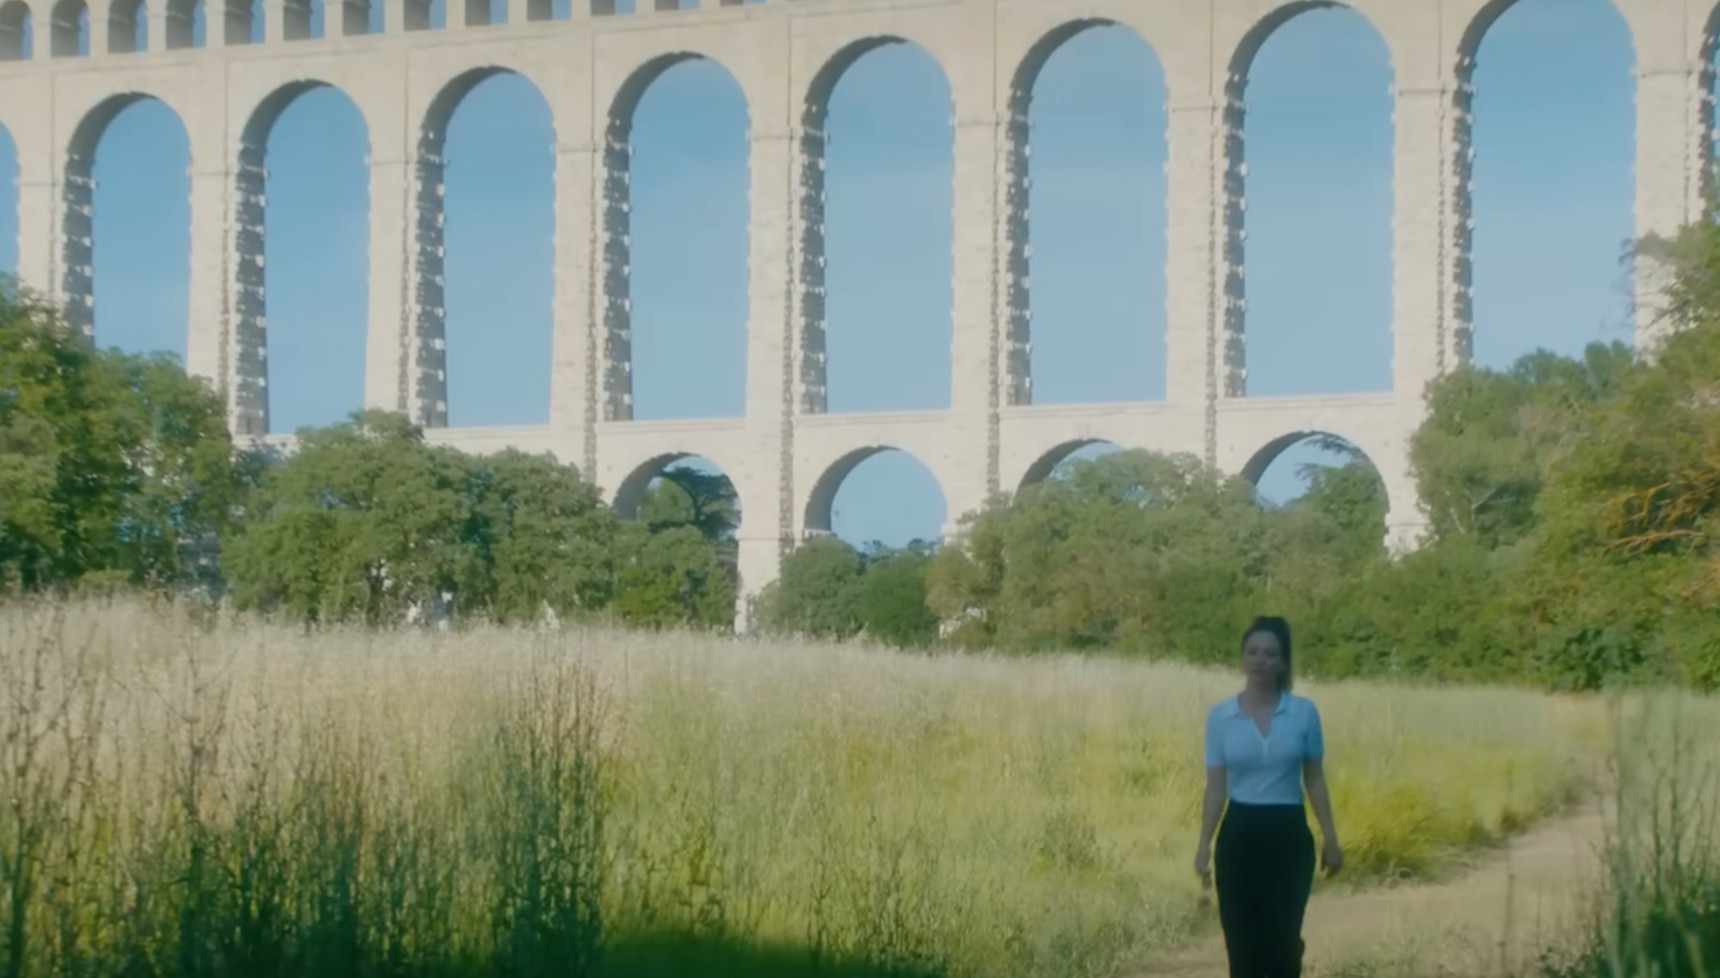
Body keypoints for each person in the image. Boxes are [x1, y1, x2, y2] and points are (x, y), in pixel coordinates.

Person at [1193, 615, 1342, 978]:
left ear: (1283, 662)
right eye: (1254, 652)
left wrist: (1331, 838)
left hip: (1288, 837)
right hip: (1239, 836)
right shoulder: (1221, 717)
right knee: (1243, 945)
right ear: (1243, 657)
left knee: (1283, 945)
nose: (1260, 660)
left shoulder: (1303, 713)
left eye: (1270, 654)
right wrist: (1203, 845)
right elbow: (1216, 787)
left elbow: (1315, 779)